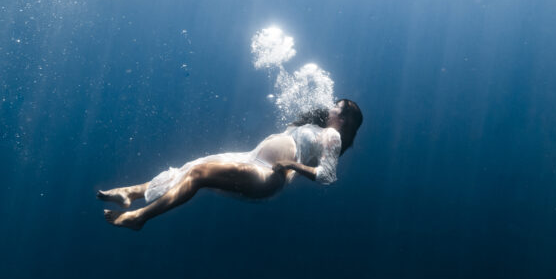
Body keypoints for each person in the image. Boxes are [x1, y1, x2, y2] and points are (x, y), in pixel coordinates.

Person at [99, 99, 363, 230]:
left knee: (199, 174)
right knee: (190, 166)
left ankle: (140, 217)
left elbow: (327, 175)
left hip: (266, 173)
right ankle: (132, 193)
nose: (330, 107)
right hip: (251, 157)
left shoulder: (333, 135)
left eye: (335, 106)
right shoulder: (317, 128)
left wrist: (291, 165)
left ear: (343, 117)